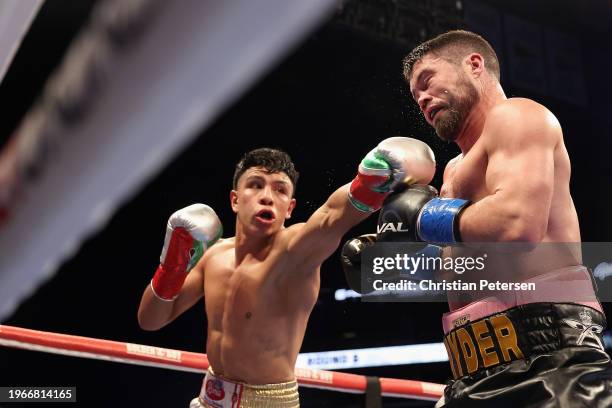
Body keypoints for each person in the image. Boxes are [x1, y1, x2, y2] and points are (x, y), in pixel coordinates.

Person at [343, 30, 612, 407]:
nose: (421, 98)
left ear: (474, 65)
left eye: (427, 80)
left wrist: (420, 217)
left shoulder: (518, 115)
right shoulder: (453, 173)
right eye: (415, 94)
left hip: (550, 360)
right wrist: (394, 263)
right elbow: (471, 262)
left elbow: (518, 224)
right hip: (470, 366)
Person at [137, 144, 434, 407]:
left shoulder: (294, 253)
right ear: (235, 200)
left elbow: (332, 216)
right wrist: (173, 261)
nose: (267, 197)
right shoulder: (214, 256)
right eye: (255, 185)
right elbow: (151, 320)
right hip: (208, 399)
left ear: (290, 208)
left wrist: (372, 181)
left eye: (280, 189)